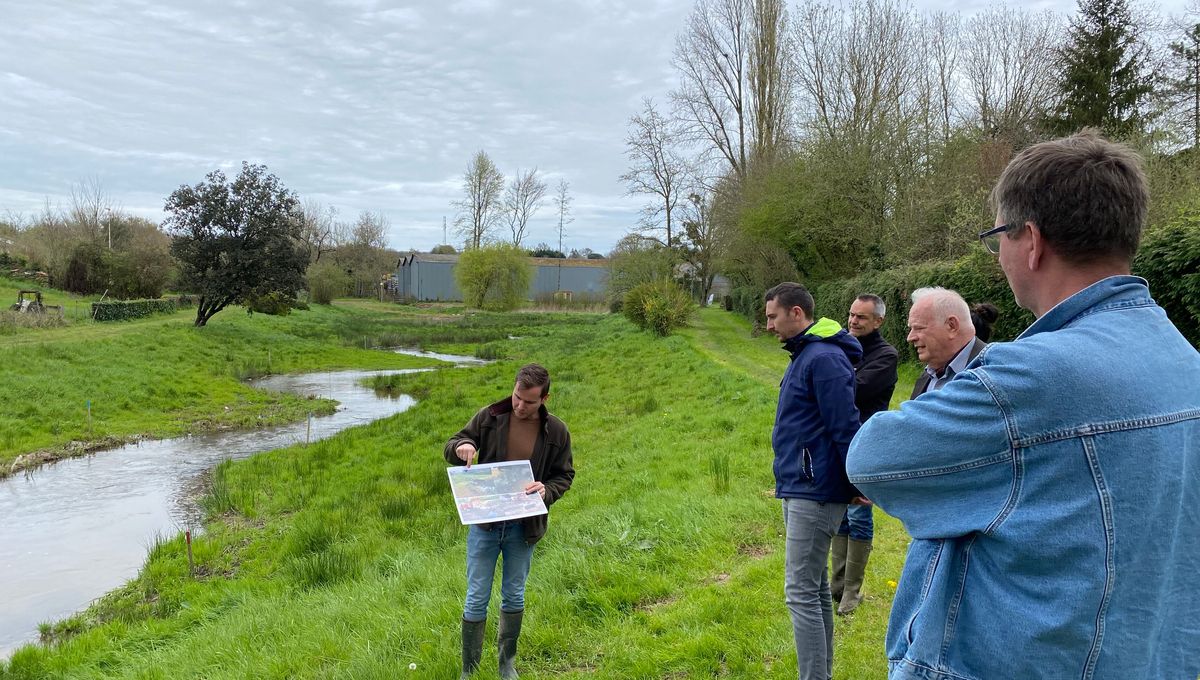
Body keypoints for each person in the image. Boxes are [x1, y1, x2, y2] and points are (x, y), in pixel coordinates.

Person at [847, 130, 1200, 679]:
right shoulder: (1186, 362)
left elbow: (871, 457)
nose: (1000, 257)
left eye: (998, 239)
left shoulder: (1024, 377)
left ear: (1030, 240)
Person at [444, 364, 575, 680]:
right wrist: (463, 447)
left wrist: (547, 490)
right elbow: (454, 443)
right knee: (476, 596)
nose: (520, 405)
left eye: (529, 402)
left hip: (524, 528)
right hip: (485, 526)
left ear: (544, 398)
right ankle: (468, 670)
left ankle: (506, 665)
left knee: (514, 594)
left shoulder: (557, 431)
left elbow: (564, 475)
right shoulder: (489, 417)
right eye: (517, 397)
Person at [764, 282, 863, 680]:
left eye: (772, 316)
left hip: (815, 490)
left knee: (800, 592)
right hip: (800, 485)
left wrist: (856, 481)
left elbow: (845, 426)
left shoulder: (823, 358)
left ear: (796, 313)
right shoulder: (806, 354)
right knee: (816, 587)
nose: (768, 325)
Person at [831, 294, 898, 615]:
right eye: (852, 314)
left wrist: (830, 380)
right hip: (838, 444)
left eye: (861, 317)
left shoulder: (885, 356)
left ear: (878, 322)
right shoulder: (842, 348)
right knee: (841, 513)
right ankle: (837, 585)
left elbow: (852, 390)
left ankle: (852, 592)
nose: (854, 321)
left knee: (858, 514)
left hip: (866, 445)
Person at [905, 287, 984, 398]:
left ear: (952, 326)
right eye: (911, 329)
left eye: (919, 328)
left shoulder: (991, 372)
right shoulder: (929, 374)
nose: (910, 337)